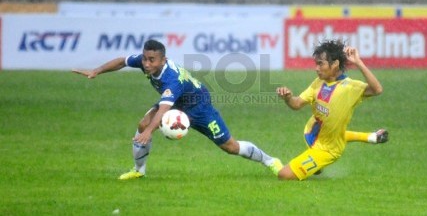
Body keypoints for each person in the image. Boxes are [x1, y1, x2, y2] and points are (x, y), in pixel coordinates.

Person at [73, 39, 282, 180]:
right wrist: (96, 71)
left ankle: (271, 161)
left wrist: (148, 133)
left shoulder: (171, 79)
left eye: (151, 60)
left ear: (163, 60)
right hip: (177, 102)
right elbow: (121, 61)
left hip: (198, 105)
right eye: (145, 58)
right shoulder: (146, 62)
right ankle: (139, 171)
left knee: (230, 146)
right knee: (143, 123)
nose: (146, 63)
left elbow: (164, 109)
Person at [275, 40, 387, 181]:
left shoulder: (350, 87)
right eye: (316, 63)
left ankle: (368, 138)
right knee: (336, 133)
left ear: (335, 64)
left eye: (320, 63)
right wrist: (288, 98)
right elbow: (297, 104)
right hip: (311, 134)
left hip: (328, 150)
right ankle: (371, 137)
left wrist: (358, 63)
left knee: (283, 175)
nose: (316, 68)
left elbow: (377, 89)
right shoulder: (318, 82)